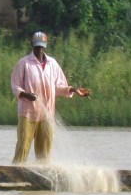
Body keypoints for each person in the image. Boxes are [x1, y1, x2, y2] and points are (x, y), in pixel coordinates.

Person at [11, 32, 91, 164]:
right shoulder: (24, 63)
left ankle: (42, 178)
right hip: (28, 113)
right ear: (32, 45)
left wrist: (73, 89)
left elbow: (58, 87)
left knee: (45, 152)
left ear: (45, 46)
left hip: (47, 114)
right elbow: (15, 85)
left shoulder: (52, 64)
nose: (39, 50)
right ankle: (16, 172)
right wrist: (26, 95)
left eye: (41, 47)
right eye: (36, 47)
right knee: (23, 147)